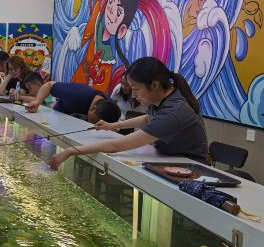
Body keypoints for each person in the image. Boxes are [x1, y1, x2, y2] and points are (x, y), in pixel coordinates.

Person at [49, 57, 208, 169]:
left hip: (190, 169)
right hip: (170, 160)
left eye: (136, 89)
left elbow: (116, 146)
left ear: (154, 85)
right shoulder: (164, 99)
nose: (133, 95)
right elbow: (148, 118)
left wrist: (71, 151)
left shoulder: (174, 112)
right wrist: (113, 126)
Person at [25, 79, 121, 124]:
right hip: (59, 117)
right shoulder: (76, 94)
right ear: (93, 109)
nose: (94, 125)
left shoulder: (109, 106)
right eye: (94, 122)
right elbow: (49, 85)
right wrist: (37, 102)